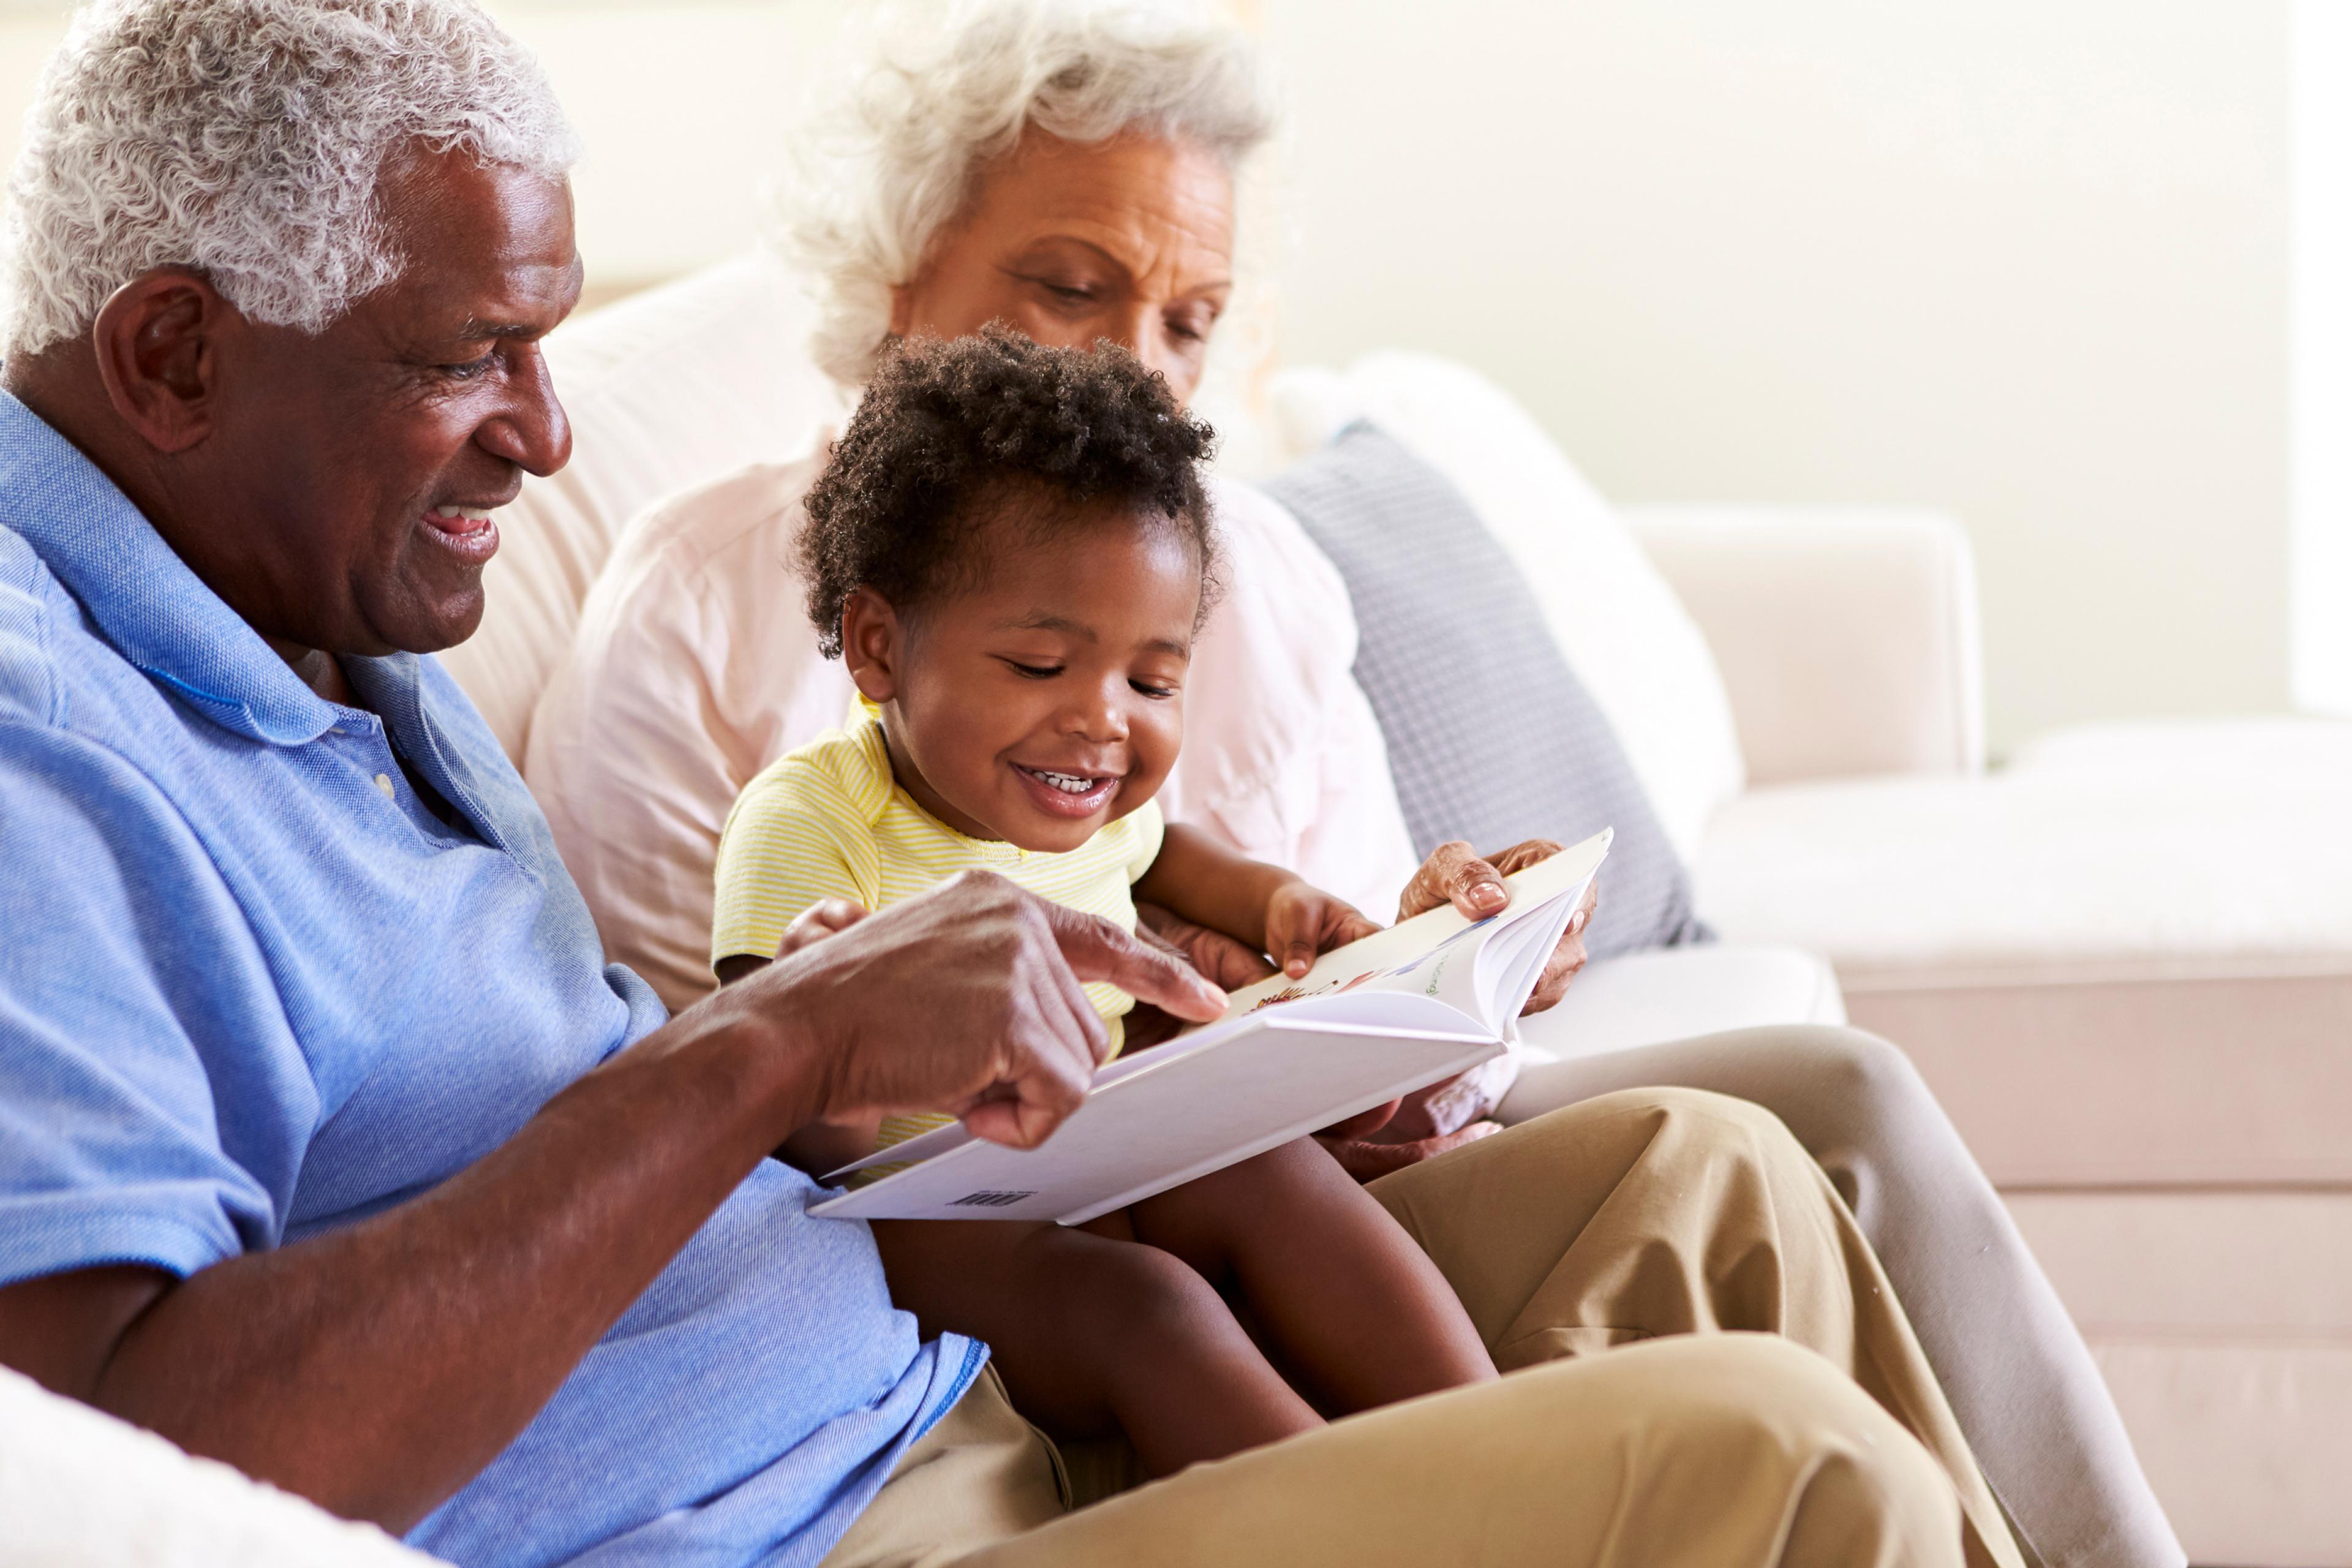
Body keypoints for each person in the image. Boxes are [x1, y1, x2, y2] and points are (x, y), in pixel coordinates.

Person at [0, 4, 2026, 1566]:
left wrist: (1212, 1048)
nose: (544, 431)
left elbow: (594, 1075)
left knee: (1727, 1180)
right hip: (815, 1524)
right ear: (177, 354)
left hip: (962, 1363)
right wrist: (770, 1056)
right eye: (476, 354)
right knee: (1779, 1463)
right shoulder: (44, 750)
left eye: (553, 347)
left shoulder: (307, 592)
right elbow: (119, 1463)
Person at [524, 6, 2181, 1567]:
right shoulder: (699, 615)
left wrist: (1421, 970)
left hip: (1254, 1172)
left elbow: (1315, 981)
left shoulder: (1245, 579)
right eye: (1070, 287)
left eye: (1185, 321)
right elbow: (713, 1110)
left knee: (1821, 1106)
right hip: (966, 1255)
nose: (1135, 370)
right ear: (894, 282)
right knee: (1756, 1169)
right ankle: (1490, 1489)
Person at [714, 330, 1500, 1476]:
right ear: (878, 646)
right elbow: (792, 1143)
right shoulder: (811, 826)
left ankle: (1508, 1458)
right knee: (1147, 1309)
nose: (1104, 721)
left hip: (1098, 1156)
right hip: (929, 1223)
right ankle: (1358, 1525)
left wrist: (1278, 900)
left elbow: (1162, 852)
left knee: (1271, 1165)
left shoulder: (1084, 799)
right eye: (1040, 667)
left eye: (1153, 680)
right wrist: (837, 1023)